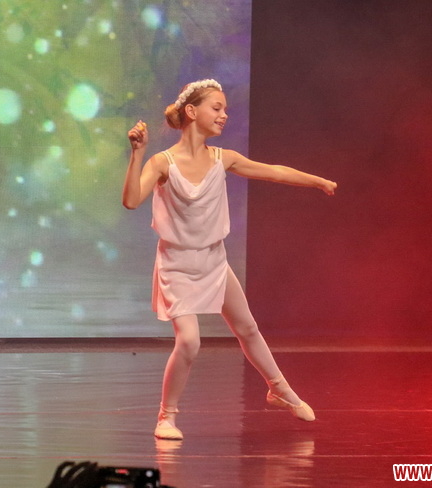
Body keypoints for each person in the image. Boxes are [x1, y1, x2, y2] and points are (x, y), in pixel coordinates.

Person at [121, 78, 337, 440]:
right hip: (177, 265)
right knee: (189, 341)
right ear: (192, 112)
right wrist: (137, 154)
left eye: (225, 109)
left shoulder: (224, 159)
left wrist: (317, 181)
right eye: (217, 108)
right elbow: (130, 200)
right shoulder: (163, 163)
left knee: (247, 328)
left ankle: (279, 389)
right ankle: (166, 417)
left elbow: (274, 171)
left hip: (214, 261)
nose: (224, 115)